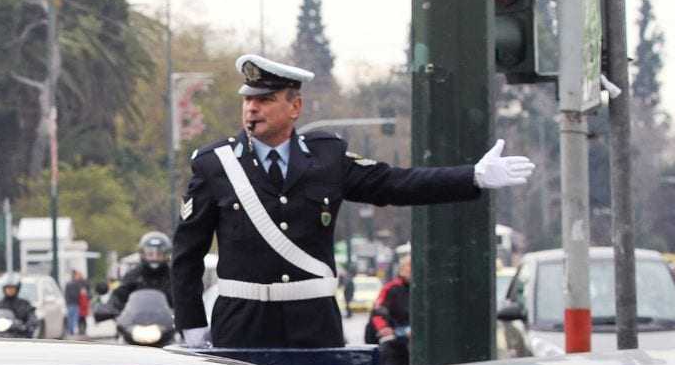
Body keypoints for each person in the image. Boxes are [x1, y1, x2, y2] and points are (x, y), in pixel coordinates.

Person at [172, 54, 535, 349]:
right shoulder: (215, 164)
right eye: (248, 100)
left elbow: (395, 184)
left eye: (265, 99)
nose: (252, 109)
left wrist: (472, 176)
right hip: (241, 322)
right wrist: (191, 325)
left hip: (313, 321)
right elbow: (187, 254)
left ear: (295, 106)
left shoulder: (327, 158)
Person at [110, 231, 173, 312]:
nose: (154, 257)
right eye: (150, 254)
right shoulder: (133, 275)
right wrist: (113, 309)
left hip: (168, 321)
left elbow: (184, 297)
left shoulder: (173, 276)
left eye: (159, 254)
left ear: (166, 255)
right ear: (142, 254)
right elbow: (119, 296)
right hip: (136, 321)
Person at [370, 254, 412, 365]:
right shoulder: (392, 288)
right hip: (396, 337)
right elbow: (378, 312)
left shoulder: (420, 287)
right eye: (408, 266)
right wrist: (384, 328)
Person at [0, 272, 38, 337]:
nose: (10, 290)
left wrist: (27, 326)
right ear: (4, 289)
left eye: (12, 288)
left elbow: (32, 318)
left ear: (17, 288)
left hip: (18, 335)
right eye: (8, 288)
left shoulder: (24, 304)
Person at [64, 270, 88, 336]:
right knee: (74, 318)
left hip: (72, 303)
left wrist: (67, 302)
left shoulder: (69, 283)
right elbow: (81, 293)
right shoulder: (78, 284)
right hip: (76, 303)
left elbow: (66, 294)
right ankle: (73, 330)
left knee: (71, 318)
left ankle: (71, 331)